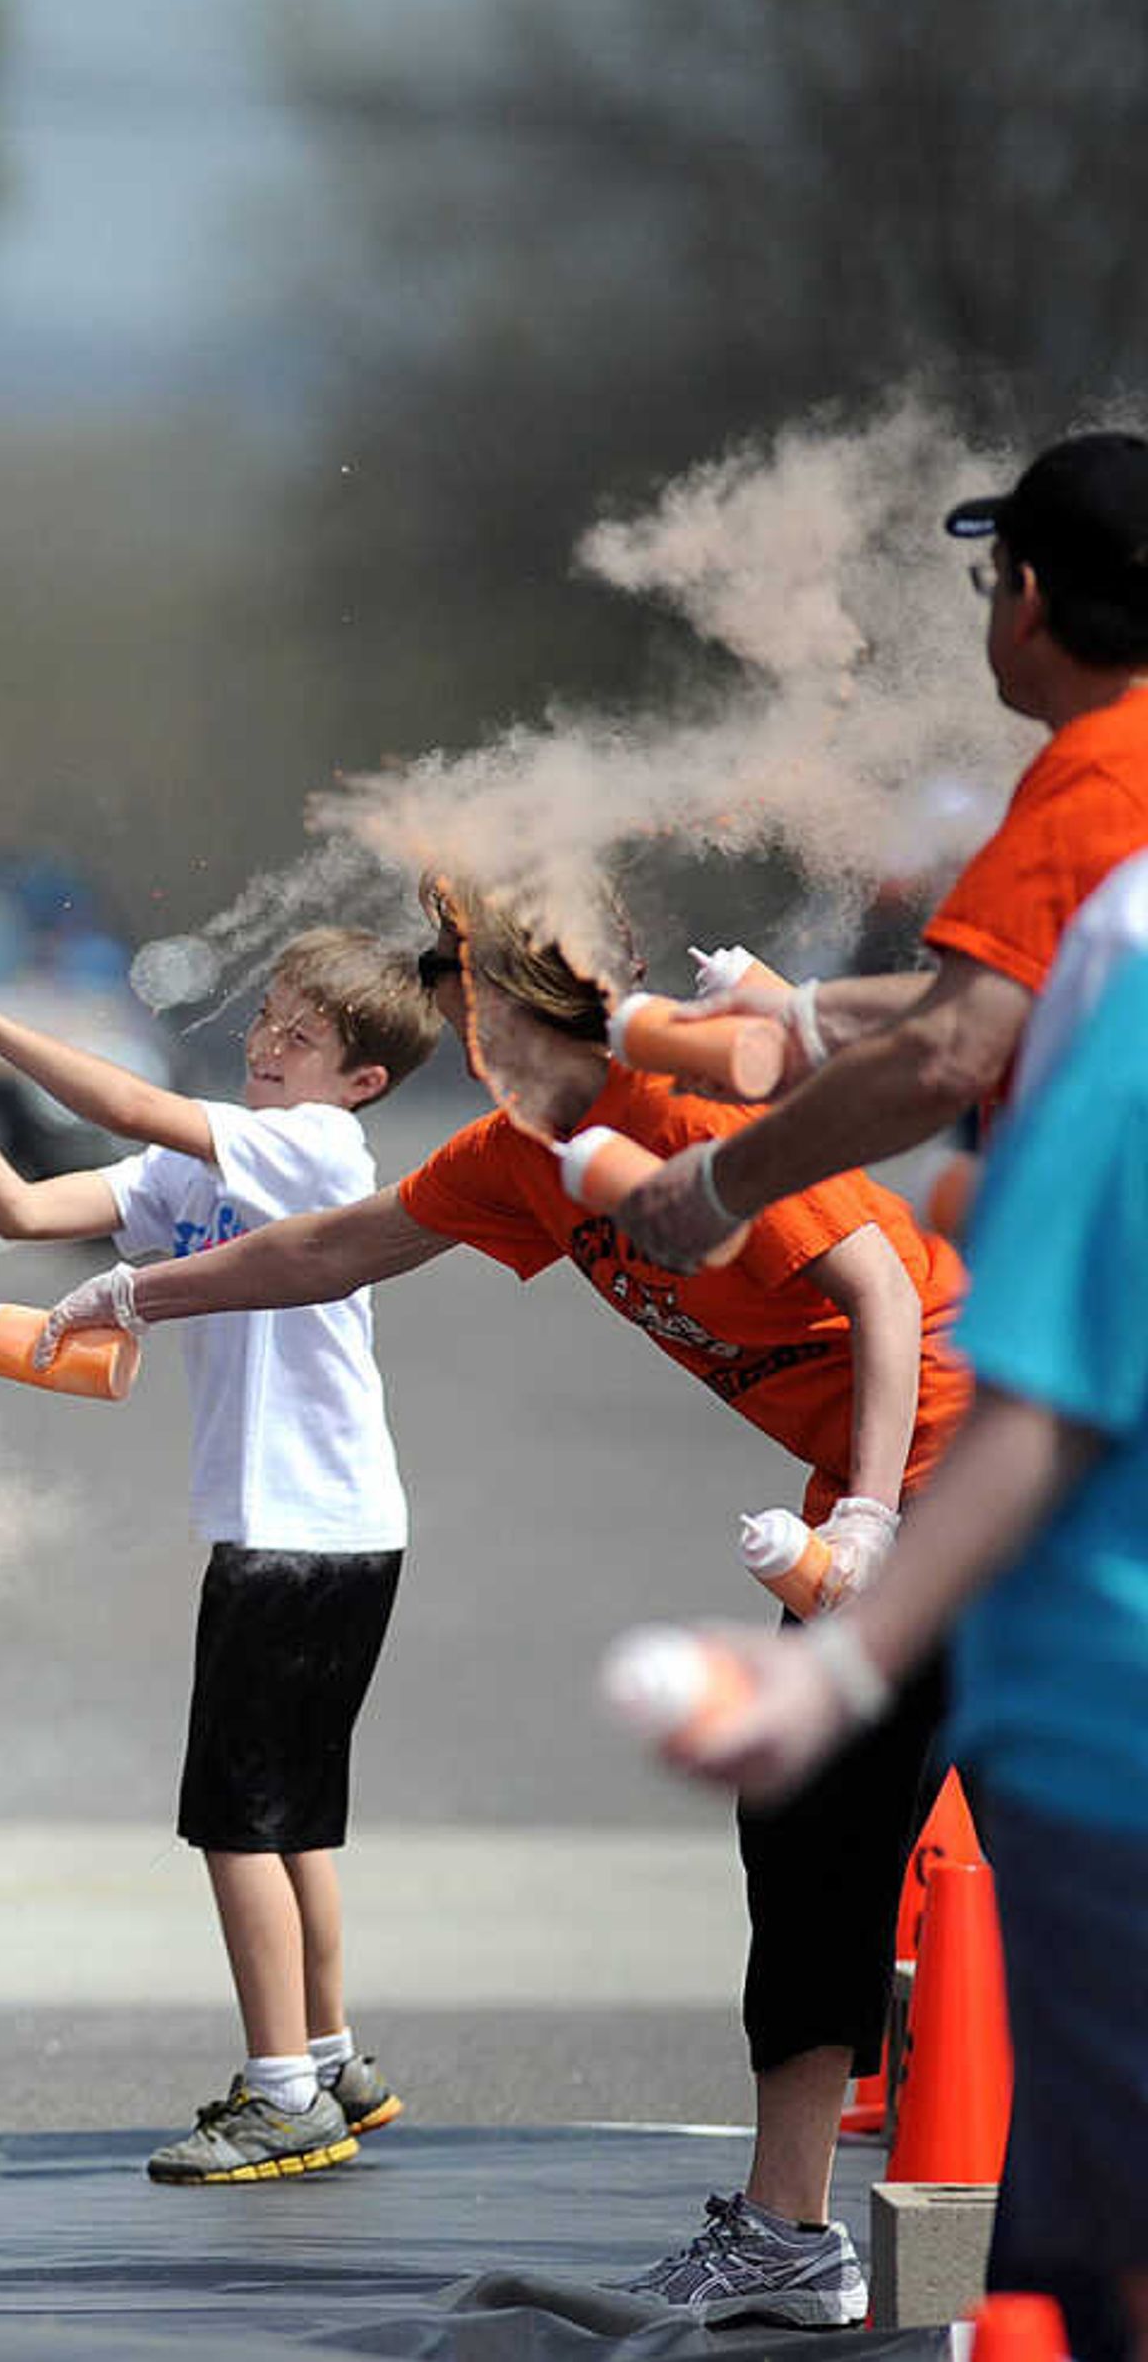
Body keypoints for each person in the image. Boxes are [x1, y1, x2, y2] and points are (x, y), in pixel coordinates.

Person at [40, 879, 958, 2329]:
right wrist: (142, 1295)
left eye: (515, 1007)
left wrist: (870, 1511)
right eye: (476, 1007)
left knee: (913, 1829)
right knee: (810, 1839)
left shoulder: (687, 1111)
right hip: (895, 1494)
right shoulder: (512, 1156)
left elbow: (881, 1287)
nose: (491, 1038)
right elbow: (334, 1246)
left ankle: (814, 2224)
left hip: (978, 1465)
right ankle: (790, 2234)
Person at [653, 855, 1148, 2362]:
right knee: (825, 1846)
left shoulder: (1112, 911)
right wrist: (791, 1008)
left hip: (1074, 1627)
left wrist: (735, 1156)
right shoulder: (1110, 934)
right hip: (1044, 1613)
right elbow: (960, 1016)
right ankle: (786, 2227)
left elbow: (950, 1045)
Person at [0, 931, 438, 2185]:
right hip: (319, 1527)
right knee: (294, 1819)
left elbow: (123, 1097)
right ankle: (331, 2056)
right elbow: (19, 1212)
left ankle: (284, 2091)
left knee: (238, 1821)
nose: (269, 1045)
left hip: (305, 1531)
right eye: (269, 1020)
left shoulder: (313, 1150)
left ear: (363, 1085)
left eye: (303, 1036)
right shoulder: (213, 1164)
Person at [619, 430, 1148, 1271]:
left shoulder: (1100, 777)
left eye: (993, 580)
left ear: (1032, 599)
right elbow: (1030, 997)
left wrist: (715, 1187)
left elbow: (949, 1051)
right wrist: (807, 1019)